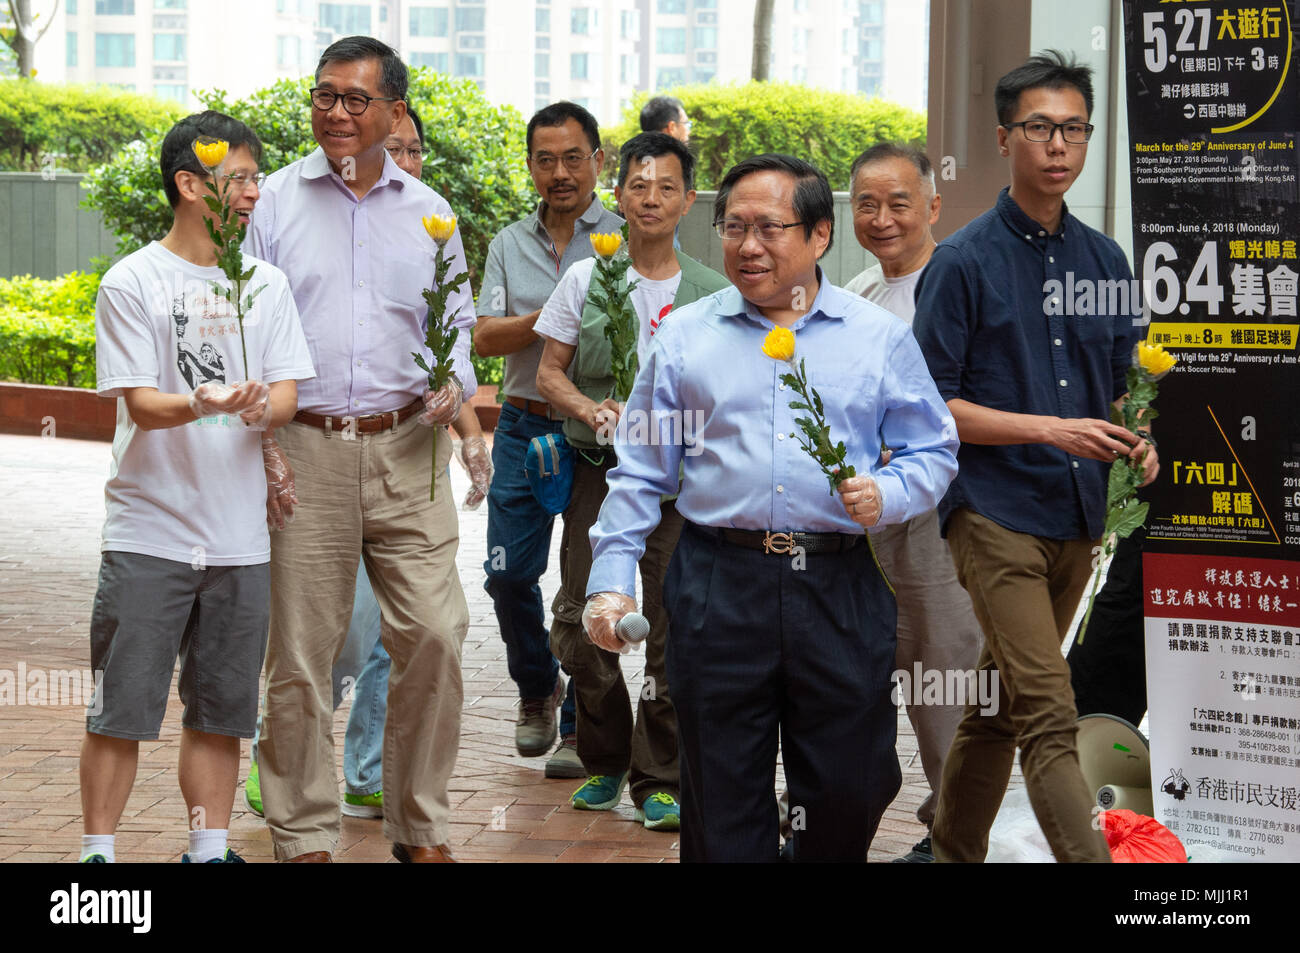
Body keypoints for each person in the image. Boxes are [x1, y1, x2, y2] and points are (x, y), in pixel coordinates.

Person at [582, 153, 958, 862]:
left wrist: (891, 492)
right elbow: (639, 471)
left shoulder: (875, 337)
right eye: (733, 228)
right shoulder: (686, 337)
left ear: (819, 236)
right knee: (721, 800)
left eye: (769, 228)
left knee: (853, 784)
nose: (747, 246)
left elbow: (932, 449)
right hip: (720, 585)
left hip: (841, 584)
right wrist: (610, 581)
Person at [912, 50, 1159, 863]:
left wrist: (1138, 440)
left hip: (1078, 516)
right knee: (1051, 709)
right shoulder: (962, 262)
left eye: (1074, 129)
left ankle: (952, 853)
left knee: (997, 702)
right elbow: (933, 408)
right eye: (1041, 128)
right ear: (1006, 136)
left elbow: (1121, 387)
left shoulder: (1108, 262)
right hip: (991, 511)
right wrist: (1050, 429)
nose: (1059, 145)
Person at [246, 36, 475, 864]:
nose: (336, 113)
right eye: (324, 96)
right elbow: (248, 337)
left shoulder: (432, 213)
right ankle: (304, 830)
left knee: (438, 634)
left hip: (409, 449)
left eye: (355, 100)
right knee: (303, 652)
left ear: (394, 112)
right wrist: (266, 447)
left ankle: (420, 824)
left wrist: (454, 391)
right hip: (304, 449)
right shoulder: (270, 204)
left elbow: (454, 336)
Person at [78, 110, 314, 864]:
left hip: (239, 537)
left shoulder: (266, 285)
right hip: (149, 530)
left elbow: (285, 396)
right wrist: (202, 402)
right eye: (239, 178)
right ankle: (97, 856)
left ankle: (208, 850)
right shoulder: (134, 281)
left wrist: (254, 403)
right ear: (190, 182)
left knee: (220, 711)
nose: (252, 193)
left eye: (254, 179)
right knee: (122, 710)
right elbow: (142, 406)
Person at [535, 132, 729, 830]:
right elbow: (546, 372)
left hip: (683, 487)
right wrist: (590, 408)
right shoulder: (586, 277)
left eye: (667, 186)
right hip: (598, 471)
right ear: (618, 196)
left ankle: (659, 775)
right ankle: (605, 757)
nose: (651, 197)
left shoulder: (716, 295)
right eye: (638, 185)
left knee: (677, 626)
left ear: (688, 201)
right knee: (586, 622)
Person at [842, 143, 983, 863]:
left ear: (933, 207)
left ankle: (950, 833)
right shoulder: (858, 292)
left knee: (943, 681)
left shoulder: (961, 283)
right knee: (854, 678)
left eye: (900, 203)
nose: (883, 217)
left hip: (938, 520)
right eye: (867, 203)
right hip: (861, 522)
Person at [475, 101, 623, 777]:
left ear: (599, 160)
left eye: (573, 157)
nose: (559, 172)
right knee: (508, 573)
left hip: (595, 431)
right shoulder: (509, 242)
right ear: (530, 165)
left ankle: (575, 725)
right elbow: (485, 336)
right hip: (522, 422)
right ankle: (538, 685)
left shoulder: (623, 239)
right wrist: (559, 310)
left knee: (587, 582)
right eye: (545, 159)